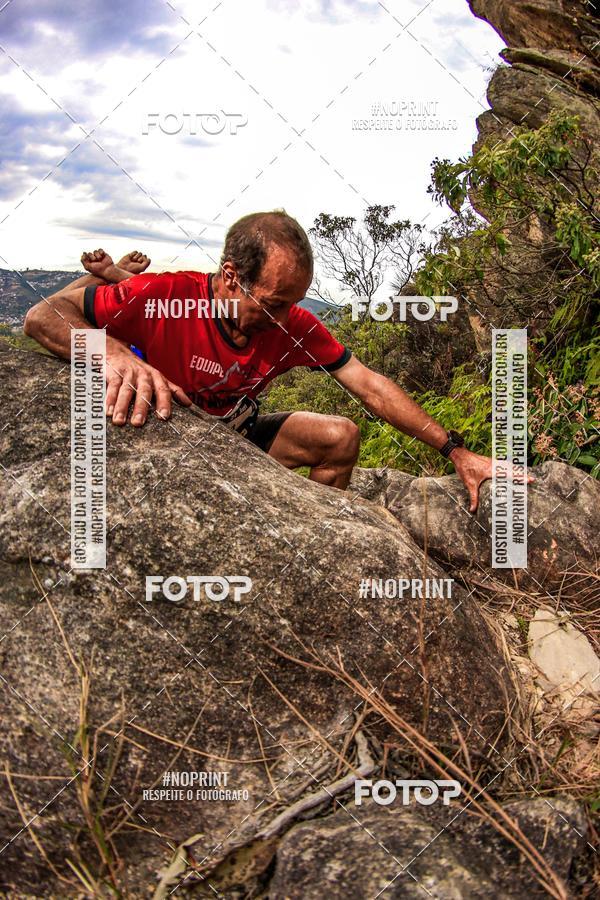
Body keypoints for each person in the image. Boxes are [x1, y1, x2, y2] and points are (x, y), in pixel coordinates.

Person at [24, 210, 516, 508]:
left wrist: (456, 452)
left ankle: (315, 532)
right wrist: (110, 354)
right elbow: (44, 315)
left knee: (340, 436)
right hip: (171, 435)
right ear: (232, 277)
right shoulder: (164, 296)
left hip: (237, 435)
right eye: (275, 303)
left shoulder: (293, 325)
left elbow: (369, 385)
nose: (286, 318)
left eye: (295, 303)